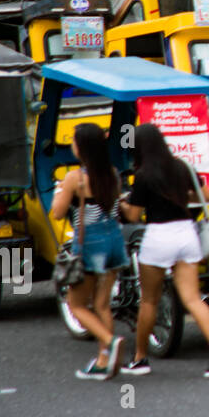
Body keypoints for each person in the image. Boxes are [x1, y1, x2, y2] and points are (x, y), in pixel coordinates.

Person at [120, 124, 209, 378]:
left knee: (149, 300)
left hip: (159, 236)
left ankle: (139, 358)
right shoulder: (181, 166)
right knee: (192, 299)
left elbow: (134, 215)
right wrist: (179, 194)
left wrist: (124, 204)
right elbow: (204, 195)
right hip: (186, 234)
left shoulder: (143, 175)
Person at [49, 123, 128, 381]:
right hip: (115, 241)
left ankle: (109, 341)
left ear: (81, 147)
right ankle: (105, 359)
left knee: (78, 304)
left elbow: (58, 213)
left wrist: (60, 191)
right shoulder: (112, 173)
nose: (71, 143)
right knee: (102, 304)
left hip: (91, 244)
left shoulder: (75, 178)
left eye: (73, 139)